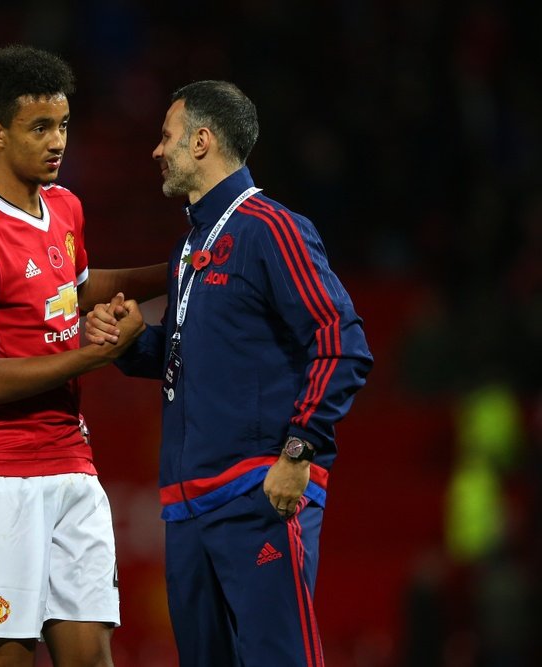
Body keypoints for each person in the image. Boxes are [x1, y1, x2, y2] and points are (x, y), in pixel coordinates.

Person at [86, 81, 374, 666]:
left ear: (201, 140)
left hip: (256, 493)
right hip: (188, 508)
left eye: (165, 136)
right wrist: (131, 345)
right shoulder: (190, 247)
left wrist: (299, 451)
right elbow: (195, 359)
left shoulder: (271, 228)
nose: (156, 151)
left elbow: (342, 341)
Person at [0, 44, 164, 667]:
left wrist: (175, 273)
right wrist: (94, 355)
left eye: (62, 125)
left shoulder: (65, 206)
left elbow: (75, 290)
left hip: (69, 457)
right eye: (39, 128)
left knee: (91, 658)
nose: (57, 141)